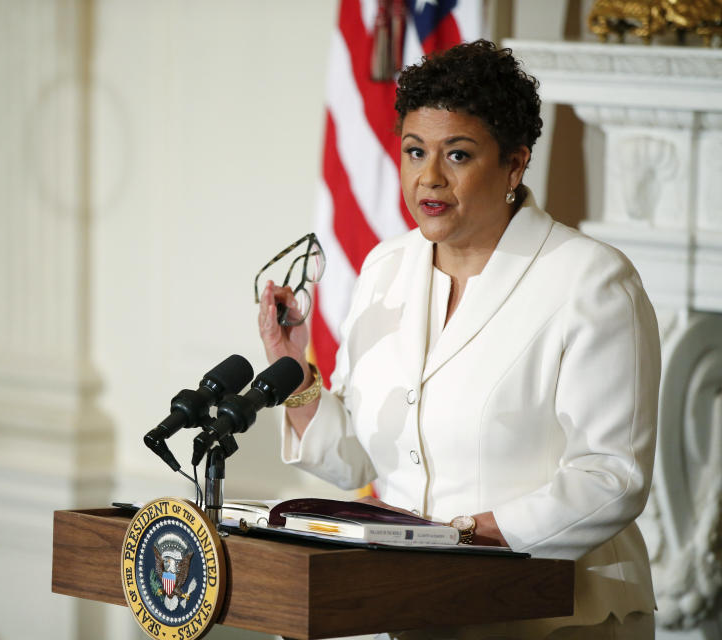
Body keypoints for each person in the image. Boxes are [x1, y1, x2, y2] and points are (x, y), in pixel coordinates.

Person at [258, 40, 659, 639]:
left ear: (515, 164)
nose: (429, 177)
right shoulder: (384, 267)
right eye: (415, 150)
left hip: (552, 618)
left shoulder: (591, 280)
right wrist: (295, 373)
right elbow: (359, 461)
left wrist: (466, 537)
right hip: (414, 611)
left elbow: (611, 475)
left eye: (459, 154)